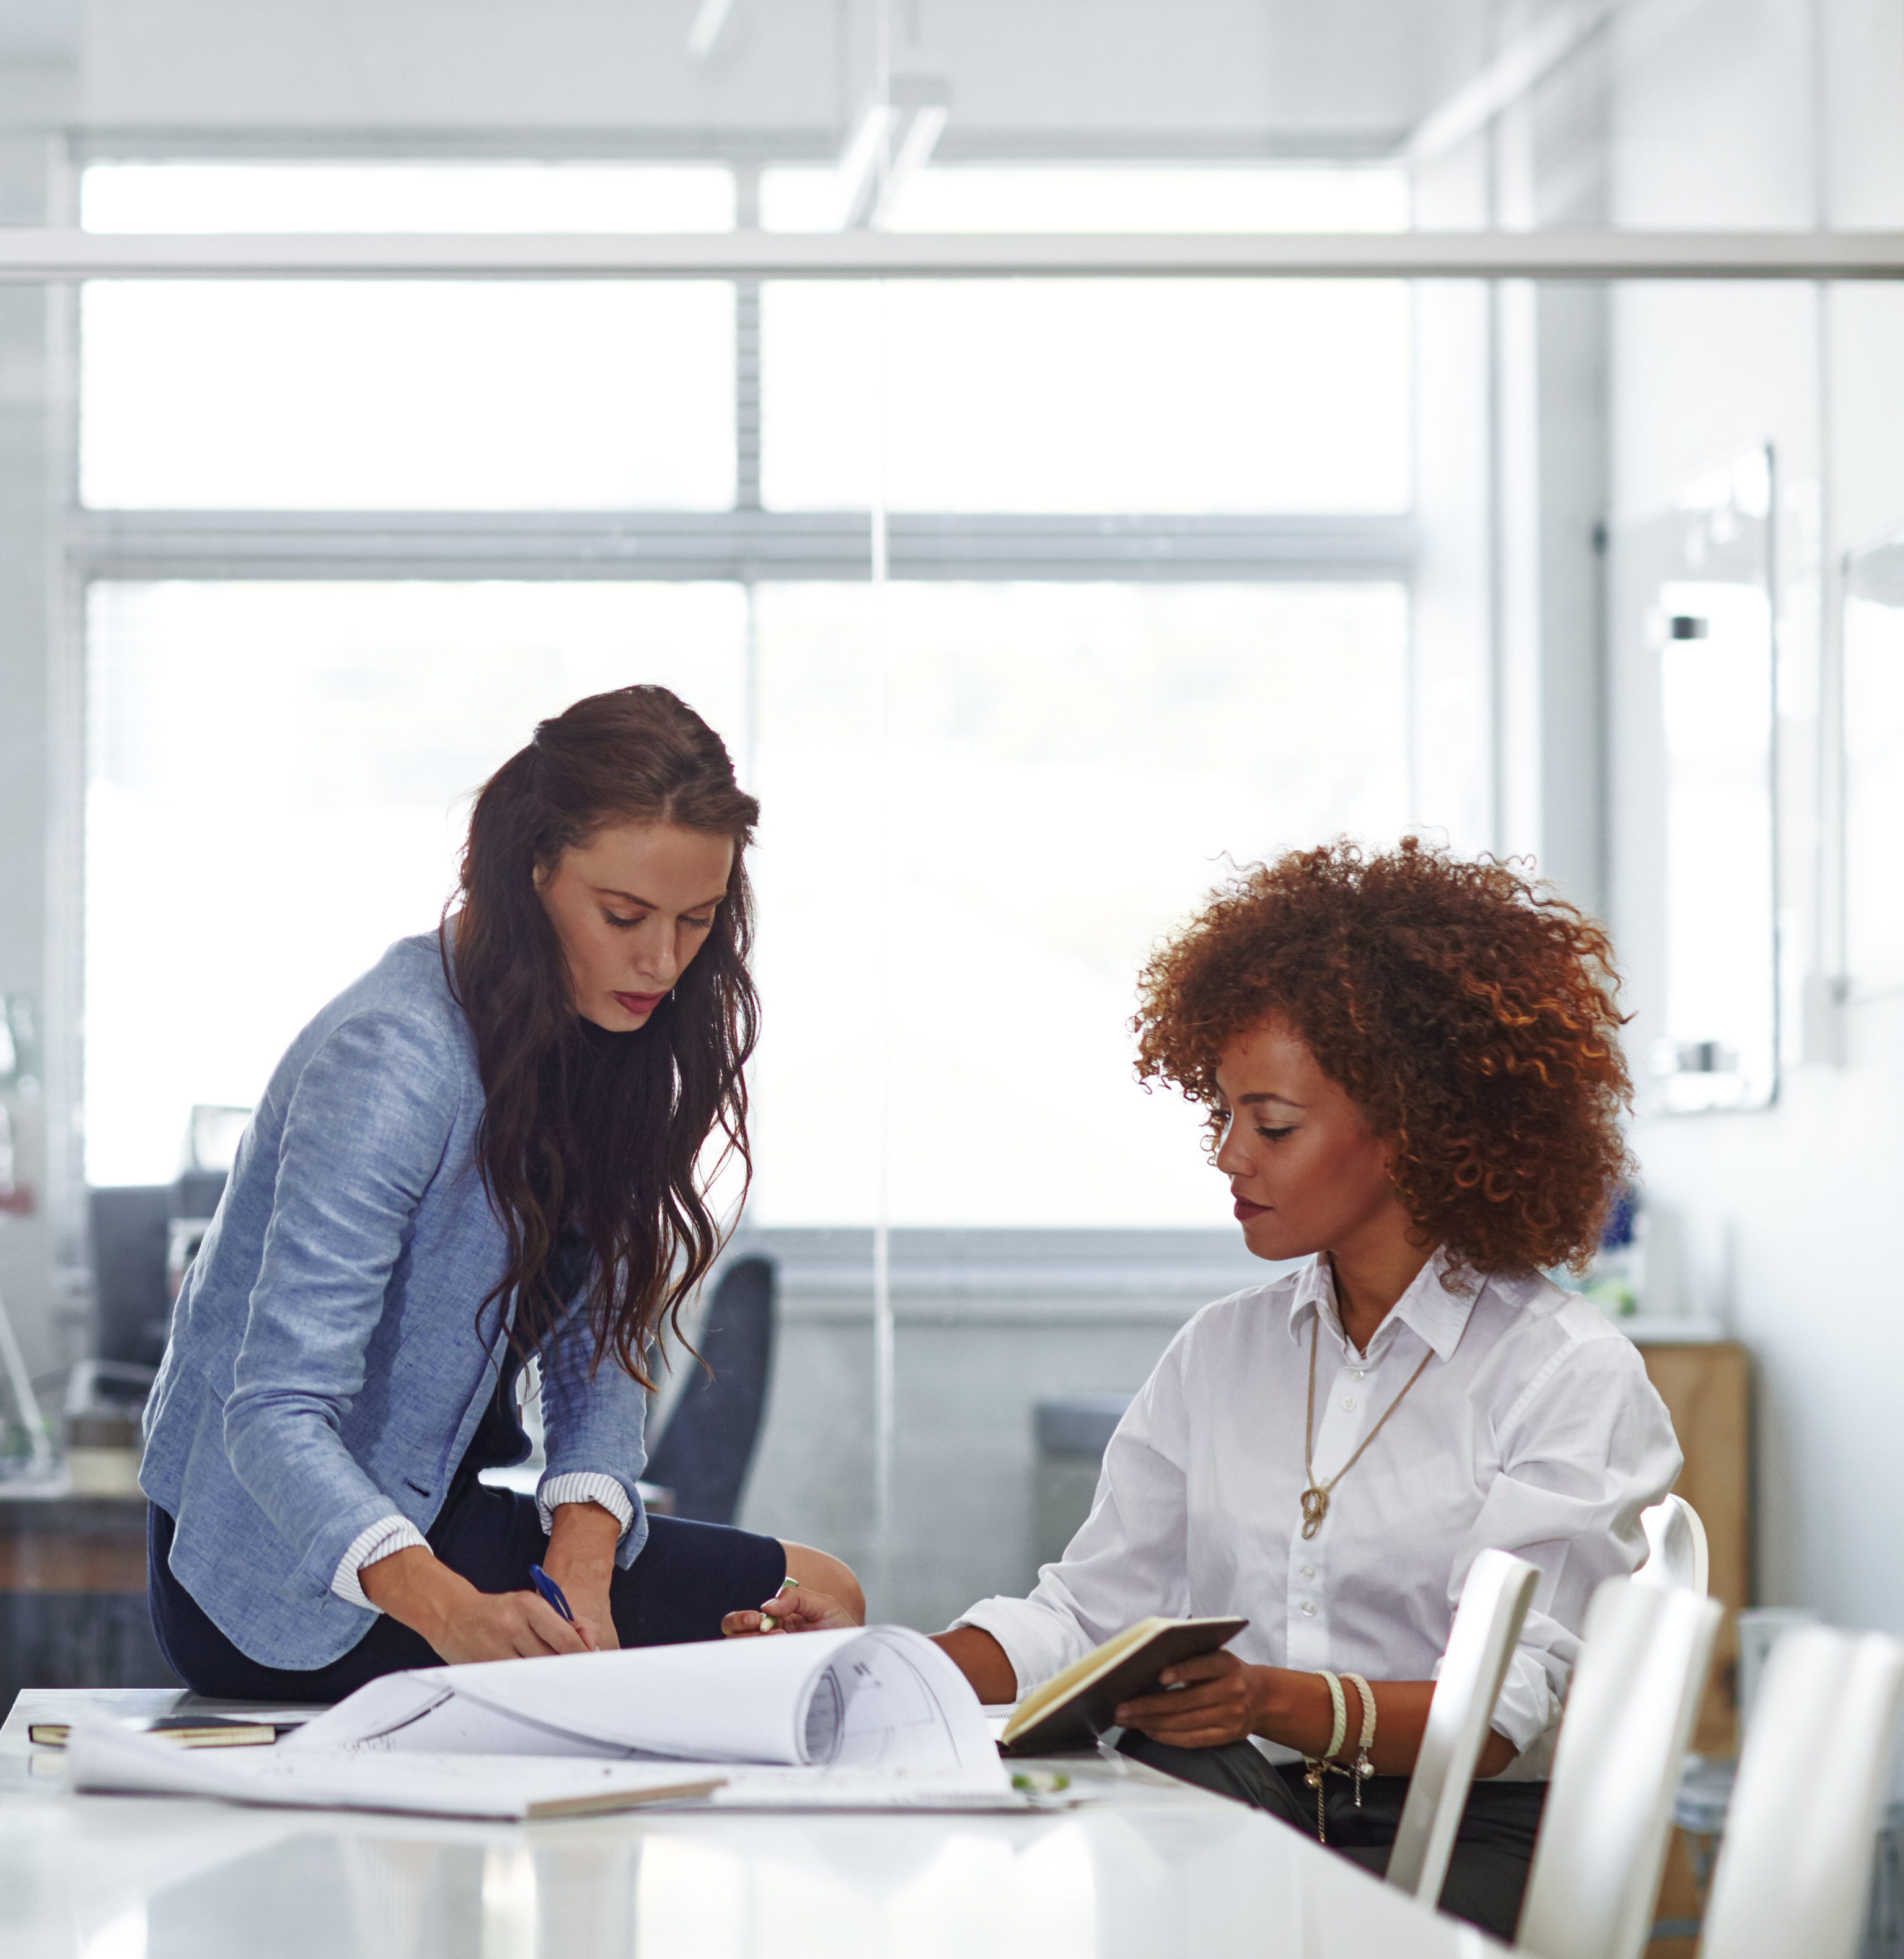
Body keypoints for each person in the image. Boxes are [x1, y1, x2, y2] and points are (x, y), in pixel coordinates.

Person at [907, 838, 1675, 1934]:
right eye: (1222, 1116)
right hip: (1248, 1813)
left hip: (1462, 1843)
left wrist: (1266, 1700)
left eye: (1270, 1125)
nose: (1229, 1155)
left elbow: (1503, 1715)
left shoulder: (1563, 1374)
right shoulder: (1221, 1357)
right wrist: (884, 1674)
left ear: (1416, 1132)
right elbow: (1086, 1616)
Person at [136, 685, 864, 1704]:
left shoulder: (607, 1033)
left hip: (444, 1512)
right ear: (533, 876)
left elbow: (599, 1346)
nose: (661, 961)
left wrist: (585, 1544)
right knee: (803, 1606)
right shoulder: (395, 1061)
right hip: (285, 1577)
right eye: (624, 916)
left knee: (813, 1603)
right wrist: (454, 1615)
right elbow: (272, 1414)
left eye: (696, 921)